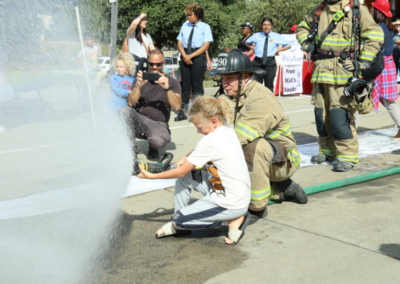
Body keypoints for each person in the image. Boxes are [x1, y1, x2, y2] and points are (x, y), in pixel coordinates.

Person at [138, 96, 251, 245]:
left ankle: (230, 220)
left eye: (199, 127)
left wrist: (153, 176)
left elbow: (180, 172)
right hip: (233, 192)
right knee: (188, 177)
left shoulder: (210, 141)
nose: (198, 131)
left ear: (213, 121)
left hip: (230, 203)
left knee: (178, 220)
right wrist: (186, 157)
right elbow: (195, 158)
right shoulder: (227, 127)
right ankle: (182, 220)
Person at [217, 49, 307, 223]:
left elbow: (238, 137)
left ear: (244, 77)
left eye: (229, 78)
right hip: (271, 158)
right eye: (222, 78)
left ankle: (257, 208)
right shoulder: (237, 95)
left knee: (251, 148)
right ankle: (282, 187)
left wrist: (201, 156)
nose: (224, 83)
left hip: (284, 160)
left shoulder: (260, 99)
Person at [296, 0, 384, 172]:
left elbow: (375, 35)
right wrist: (307, 44)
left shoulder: (357, 9)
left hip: (343, 71)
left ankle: (347, 155)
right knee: (321, 114)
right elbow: (301, 28)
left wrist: (364, 62)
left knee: (340, 115)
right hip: (321, 70)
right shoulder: (320, 9)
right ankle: (327, 150)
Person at [123, 49, 182, 161]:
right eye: (152, 64)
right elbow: (130, 102)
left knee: (158, 142)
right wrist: (138, 86)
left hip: (158, 123)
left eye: (158, 64)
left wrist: (167, 88)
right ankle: (131, 151)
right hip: (140, 121)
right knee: (124, 111)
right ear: (148, 63)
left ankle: (153, 147)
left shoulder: (172, 82)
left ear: (163, 64)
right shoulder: (140, 79)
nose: (155, 67)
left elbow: (177, 106)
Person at [175, 4, 214, 121]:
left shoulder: (205, 27)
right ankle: (183, 112)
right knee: (185, 86)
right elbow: (179, 43)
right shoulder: (184, 26)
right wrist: (185, 56)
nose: (188, 17)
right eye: (187, 15)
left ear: (197, 15)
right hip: (185, 55)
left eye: (190, 15)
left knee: (197, 86)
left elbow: (206, 45)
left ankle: (197, 113)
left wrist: (190, 56)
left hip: (198, 56)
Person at [371, 0, 400, 139]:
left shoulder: (376, 27)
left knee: (360, 95)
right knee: (389, 100)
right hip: (388, 64)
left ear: (377, 11)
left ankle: (348, 131)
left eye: (372, 8)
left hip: (377, 65)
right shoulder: (388, 26)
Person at [245, 17, 291, 92]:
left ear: (272, 26)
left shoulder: (276, 36)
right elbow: (246, 43)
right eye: (264, 25)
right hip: (257, 63)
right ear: (261, 26)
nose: (266, 27)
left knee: (269, 86)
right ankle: (257, 102)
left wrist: (277, 50)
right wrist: (253, 48)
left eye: (269, 25)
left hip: (270, 63)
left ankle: (268, 102)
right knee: (256, 85)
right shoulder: (257, 35)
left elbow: (288, 45)